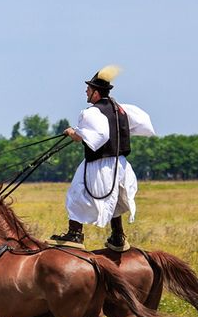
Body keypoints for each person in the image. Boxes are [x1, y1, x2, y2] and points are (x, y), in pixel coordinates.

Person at [48, 65, 156, 251]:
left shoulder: (92, 112)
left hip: (99, 164)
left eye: (89, 89)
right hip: (120, 164)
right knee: (113, 198)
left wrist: (73, 133)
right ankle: (117, 236)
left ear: (96, 93)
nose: (86, 92)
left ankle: (74, 234)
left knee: (76, 194)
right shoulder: (120, 109)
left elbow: (98, 135)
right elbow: (143, 124)